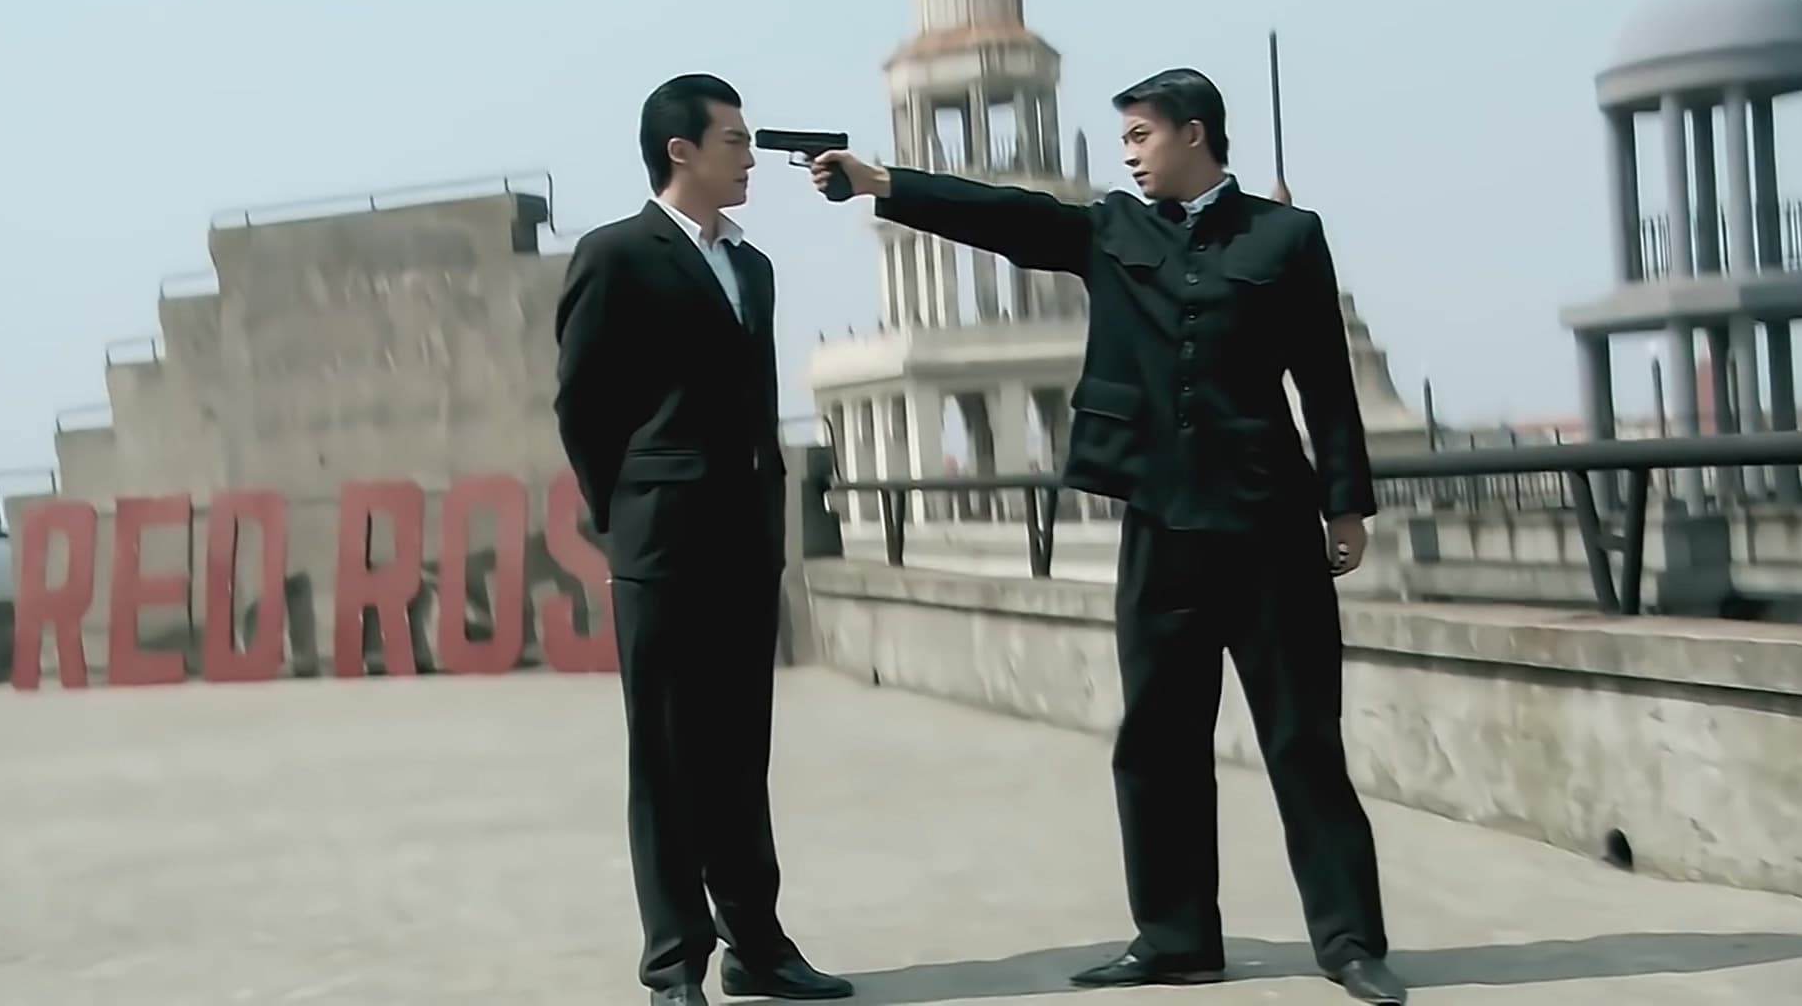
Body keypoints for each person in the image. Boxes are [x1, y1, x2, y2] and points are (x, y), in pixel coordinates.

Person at [807, 68, 1408, 1006]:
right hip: (1160, 526)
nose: (1127, 153)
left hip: (1268, 529)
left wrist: (1345, 507)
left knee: (1302, 741)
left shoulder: (1287, 237)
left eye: (1139, 135)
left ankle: (1350, 943)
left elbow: (1326, 380)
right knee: (1158, 742)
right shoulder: (1113, 230)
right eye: (1122, 138)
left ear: (1194, 133)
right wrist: (882, 182)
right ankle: (1175, 939)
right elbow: (1007, 218)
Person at [555, 73, 854, 1006]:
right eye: (735, 140)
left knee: (738, 752)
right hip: (661, 543)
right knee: (667, 758)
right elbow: (582, 405)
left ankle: (756, 944)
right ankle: (673, 964)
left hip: (744, 541)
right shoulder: (617, 255)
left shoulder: (752, 267)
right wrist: (626, 513)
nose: (751, 157)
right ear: (680, 150)